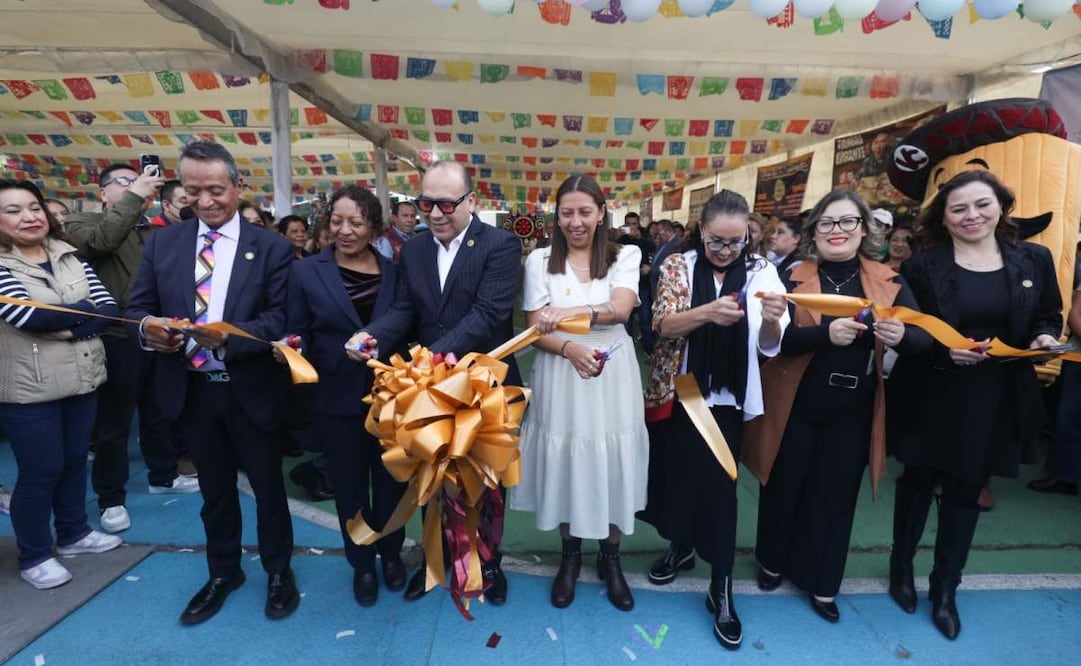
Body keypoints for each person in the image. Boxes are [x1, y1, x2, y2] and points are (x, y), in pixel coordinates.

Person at [127, 140, 299, 625]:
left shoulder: (272, 248)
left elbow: (281, 318)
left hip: (250, 389)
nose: (205, 201)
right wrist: (150, 331)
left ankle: (279, 571)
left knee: (268, 489)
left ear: (238, 186)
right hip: (192, 390)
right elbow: (136, 307)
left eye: (216, 190)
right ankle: (223, 572)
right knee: (215, 492)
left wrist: (225, 336)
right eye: (194, 190)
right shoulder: (164, 243)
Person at [886, 169, 1062, 639]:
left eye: (982, 204)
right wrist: (946, 349)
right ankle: (900, 568)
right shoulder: (923, 265)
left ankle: (945, 589)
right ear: (943, 217)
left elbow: (1048, 314)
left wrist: (1045, 336)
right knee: (918, 480)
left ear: (1001, 206)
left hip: (996, 395)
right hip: (932, 389)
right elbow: (911, 329)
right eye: (958, 208)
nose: (972, 216)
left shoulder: (1034, 259)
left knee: (967, 490)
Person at [346, 160, 521, 605]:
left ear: (471, 201)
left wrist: (428, 359)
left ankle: (488, 562)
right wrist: (374, 335)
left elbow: (488, 314)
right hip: (430, 388)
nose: (436, 213)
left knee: (484, 480)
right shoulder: (415, 250)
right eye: (427, 203)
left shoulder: (501, 244)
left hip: (483, 386)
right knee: (430, 473)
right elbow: (405, 309)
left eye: (447, 203)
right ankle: (434, 560)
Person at [748, 189, 927, 624]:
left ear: (864, 229)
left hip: (854, 406)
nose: (837, 231)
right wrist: (823, 335)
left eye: (847, 222)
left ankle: (823, 582)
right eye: (827, 223)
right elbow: (773, 343)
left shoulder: (890, 281)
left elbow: (924, 338)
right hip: (795, 400)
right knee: (783, 484)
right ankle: (772, 563)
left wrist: (901, 336)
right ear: (814, 232)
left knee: (835, 495)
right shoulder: (790, 274)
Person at [639, 190, 789, 650]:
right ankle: (682, 545)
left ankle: (720, 583)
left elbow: (770, 345)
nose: (726, 251)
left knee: (722, 489)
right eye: (717, 241)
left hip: (730, 397)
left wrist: (771, 317)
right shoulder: (677, 266)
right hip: (681, 390)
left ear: (748, 234)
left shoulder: (763, 271)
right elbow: (661, 326)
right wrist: (706, 313)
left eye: (735, 241)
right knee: (677, 476)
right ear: (700, 230)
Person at [511, 175, 648, 612]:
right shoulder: (539, 261)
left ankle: (611, 560)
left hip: (612, 370)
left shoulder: (626, 254)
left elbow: (620, 310)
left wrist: (568, 313)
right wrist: (569, 347)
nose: (575, 221)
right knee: (568, 459)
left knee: (611, 459)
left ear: (601, 213)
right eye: (567, 213)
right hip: (561, 367)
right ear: (557, 216)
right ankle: (569, 558)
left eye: (584, 212)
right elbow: (536, 329)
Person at [283, 185, 407, 607]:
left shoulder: (396, 272)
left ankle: (391, 554)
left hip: (390, 398)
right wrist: (290, 346)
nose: (345, 230)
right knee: (349, 487)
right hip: (334, 399)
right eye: (337, 221)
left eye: (356, 222)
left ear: (373, 225)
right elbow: (297, 329)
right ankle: (362, 563)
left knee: (391, 483)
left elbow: (406, 328)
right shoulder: (306, 272)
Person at [0, 179, 122, 589]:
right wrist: (84, 312)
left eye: (33, 207)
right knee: (40, 471)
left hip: (82, 376)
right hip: (27, 388)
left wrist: (71, 326)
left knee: (73, 460)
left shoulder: (70, 255)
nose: (29, 216)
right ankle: (34, 554)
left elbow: (110, 310)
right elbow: (30, 318)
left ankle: (73, 533)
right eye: (13, 210)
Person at [65, 163, 199, 537]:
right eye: (122, 183)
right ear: (102, 193)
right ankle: (111, 498)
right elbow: (103, 241)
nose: (135, 188)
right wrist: (136, 194)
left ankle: (164, 474)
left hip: (157, 332)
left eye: (139, 182)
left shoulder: (153, 232)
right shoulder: (81, 225)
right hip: (116, 336)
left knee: (159, 411)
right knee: (114, 424)